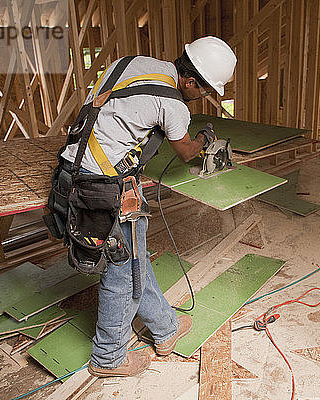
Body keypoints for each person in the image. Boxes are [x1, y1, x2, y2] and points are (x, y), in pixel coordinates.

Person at [59, 36, 237, 377]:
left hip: (73, 170)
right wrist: (204, 138)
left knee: (136, 257)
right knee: (122, 273)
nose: (201, 97)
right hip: (103, 188)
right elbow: (185, 152)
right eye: (203, 90)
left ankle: (166, 329)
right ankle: (108, 357)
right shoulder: (174, 104)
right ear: (189, 81)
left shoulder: (130, 63)